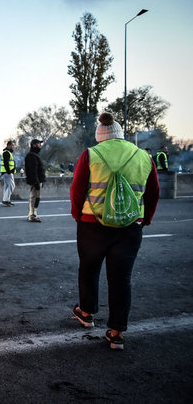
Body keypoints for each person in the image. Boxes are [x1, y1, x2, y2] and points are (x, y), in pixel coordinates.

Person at [70, 112, 159, 350]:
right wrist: (146, 218)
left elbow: (78, 189)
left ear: (101, 137)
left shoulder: (91, 154)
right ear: (121, 135)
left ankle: (86, 313)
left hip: (92, 224)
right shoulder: (143, 156)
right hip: (130, 227)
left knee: (89, 269)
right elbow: (153, 192)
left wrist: (78, 215)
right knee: (121, 279)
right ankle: (116, 332)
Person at [24, 139, 45, 222]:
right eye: (39, 144)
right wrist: (35, 182)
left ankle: (34, 213)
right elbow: (32, 171)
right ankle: (32, 215)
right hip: (36, 181)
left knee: (37, 198)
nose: (40, 145)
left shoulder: (35, 155)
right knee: (34, 198)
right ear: (34, 145)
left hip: (38, 180)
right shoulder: (32, 156)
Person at [0, 140, 16, 206]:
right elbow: (6, 163)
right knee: (12, 186)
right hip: (7, 173)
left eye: (13, 145)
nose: (13, 147)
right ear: (8, 146)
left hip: (6, 172)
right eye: (12, 145)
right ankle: (5, 200)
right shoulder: (6, 153)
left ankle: (7, 200)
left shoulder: (7, 152)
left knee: (7, 187)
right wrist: (9, 171)